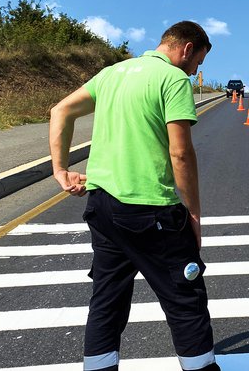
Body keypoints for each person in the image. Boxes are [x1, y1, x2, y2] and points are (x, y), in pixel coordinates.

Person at [49, 21, 220, 371]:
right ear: (187, 49)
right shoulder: (173, 80)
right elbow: (181, 154)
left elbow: (60, 110)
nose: (195, 70)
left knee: (107, 300)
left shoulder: (112, 73)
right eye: (198, 62)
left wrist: (61, 169)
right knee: (184, 298)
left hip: (102, 207)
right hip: (151, 210)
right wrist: (194, 214)